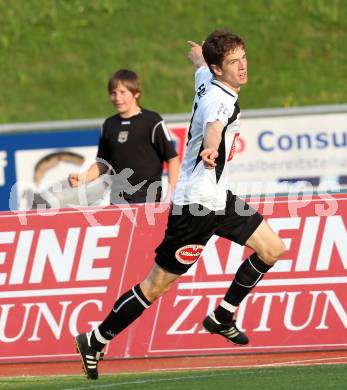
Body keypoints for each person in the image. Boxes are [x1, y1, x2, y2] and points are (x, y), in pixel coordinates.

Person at [74, 30, 286, 380]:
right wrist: (211, 147)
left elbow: (199, 59)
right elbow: (216, 125)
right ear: (220, 70)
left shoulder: (207, 74)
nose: (243, 66)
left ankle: (222, 316)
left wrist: (199, 53)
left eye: (243, 57)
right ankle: (95, 339)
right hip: (196, 208)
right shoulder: (218, 100)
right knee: (155, 286)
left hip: (219, 197)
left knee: (272, 249)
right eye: (234, 62)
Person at [68, 69, 180, 204]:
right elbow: (103, 163)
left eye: (122, 92)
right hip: (118, 199)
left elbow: (172, 159)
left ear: (136, 93)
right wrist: (83, 178)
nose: (117, 98)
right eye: (113, 93)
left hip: (148, 199)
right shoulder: (109, 125)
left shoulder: (152, 120)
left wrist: (170, 194)